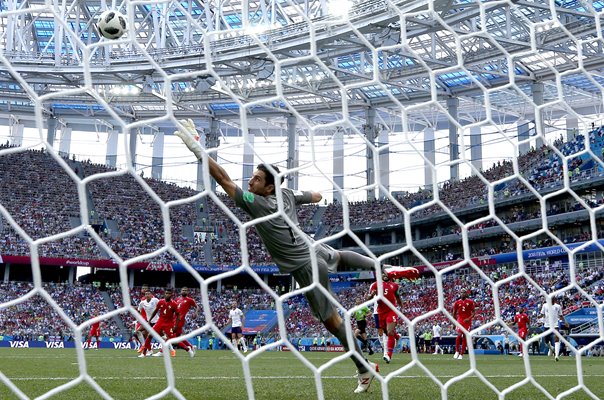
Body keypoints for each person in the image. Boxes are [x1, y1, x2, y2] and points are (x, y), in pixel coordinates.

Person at [175, 120, 419, 393]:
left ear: (268, 188)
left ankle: (364, 369)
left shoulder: (259, 203)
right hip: (311, 245)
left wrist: (199, 149)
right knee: (339, 255)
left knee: (332, 322)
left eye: (256, 179)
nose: (250, 181)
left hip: (303, 264)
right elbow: (315, 195)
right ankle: (382, 267)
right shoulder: (286, 194)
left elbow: (222, 179)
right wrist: (311, 196)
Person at [368, 270, 404, 364]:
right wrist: (371, 295)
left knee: (389, 332)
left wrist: (402, 307)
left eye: (386, 273)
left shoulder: (395, 285)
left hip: (391, 311)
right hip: (380, 312)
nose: (384, 275)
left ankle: (388, 355)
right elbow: (368, 298)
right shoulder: (375, 285)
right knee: (385, 331)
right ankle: (397, 336)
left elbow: (398, 297)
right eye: (383, 273)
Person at [139, 288, 179, 358]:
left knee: (169, 338)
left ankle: (181, 349)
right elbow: (155, 311)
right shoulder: (159, 302)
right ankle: (144, 352)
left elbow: (178, 315)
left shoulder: (173, 304)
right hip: (158, 322)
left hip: (167, 323)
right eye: (166, 293)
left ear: (171, 295)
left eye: (169, 293)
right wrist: (149, 320)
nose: (167, 295)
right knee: (149, 335)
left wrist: (175, 326)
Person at [173, 287, 199, 358]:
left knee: (173, 338)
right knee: (178, 337)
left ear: (187, 292)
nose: (184, 291)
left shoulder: (190, 300)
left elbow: (197, 307)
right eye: (183, 290)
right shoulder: (177, 299)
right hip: (174, 319)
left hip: (180, 320)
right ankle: (190, 347)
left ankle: (188, 349)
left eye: (185, 290)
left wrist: (195, 313)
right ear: (181, 291)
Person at [541, 297, 568, 361]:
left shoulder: (558, 306)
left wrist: (565, 322)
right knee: (546, 341)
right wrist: (539, 316)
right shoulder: (545, 305)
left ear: (554, 300)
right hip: (547, 325)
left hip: (555, 325)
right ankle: (551, 348)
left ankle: (556, 355)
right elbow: (542, 314)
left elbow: (560, 316)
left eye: (552, 300)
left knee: (556, 338)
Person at [452, 288, 476, 360]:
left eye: (464, 292)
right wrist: (454, 323)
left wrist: (468, 318)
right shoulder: (457, 303)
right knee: (459, 335)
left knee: (465, 336)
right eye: (461, 292)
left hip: (467, 321)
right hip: (460, 320)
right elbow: (454, 313)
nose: (462, 293)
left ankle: (461, 354)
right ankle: (457, 351)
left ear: (466, 294)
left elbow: (474, 312)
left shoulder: (470, 302)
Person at [136, 289, 159, 355]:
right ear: (145, 295)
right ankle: (144, 346)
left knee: (162, 336)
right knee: (138, 332)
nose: (147, 295)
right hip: (148, 322)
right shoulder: (142, 302)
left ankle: (171, 349)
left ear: (151, 295)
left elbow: (161, 306)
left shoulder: (155, 300)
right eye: (146, 294)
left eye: (149, 294)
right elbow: (139, 310)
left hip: (156, 321)